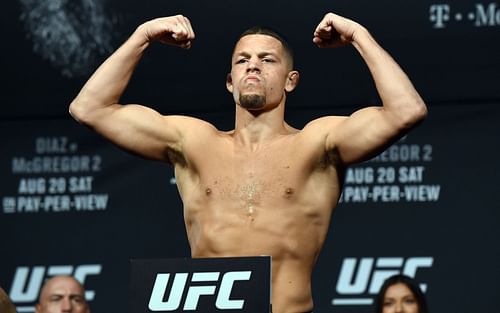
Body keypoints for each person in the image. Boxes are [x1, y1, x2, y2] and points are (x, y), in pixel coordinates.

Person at [69, 12, 427, 313]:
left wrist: (359, 36)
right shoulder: (193, 141)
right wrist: (142, 35)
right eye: (242, 60)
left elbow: (406, 111)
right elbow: (90, 108)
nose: (252, 65)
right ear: (230, 82)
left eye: (267, 59)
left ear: (291, 81)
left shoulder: (318, 142)